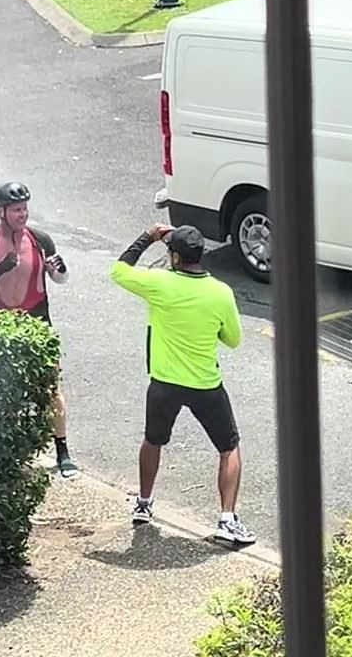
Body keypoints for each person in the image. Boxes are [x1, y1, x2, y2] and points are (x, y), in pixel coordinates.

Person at [110, 223, 255, 545]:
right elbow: (233, 340)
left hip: (164, 382)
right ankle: (227, 520)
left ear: (174, 256)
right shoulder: (220, 293)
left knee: (153, 441)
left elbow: (119, 270)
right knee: (228, 447)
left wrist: (148, 236)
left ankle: (144, 503)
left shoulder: (158, 283)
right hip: (205, 383)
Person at [0, 181, 77, 478]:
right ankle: (5, 453)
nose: (22, 215)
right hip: (1, 325)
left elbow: (60, 279)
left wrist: (60, 268)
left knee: (52, 389)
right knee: (0, 392)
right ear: (0, 211)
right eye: (16, 210)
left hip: (37, 321)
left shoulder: (40, 240)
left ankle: (63, 452)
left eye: (24, 209)